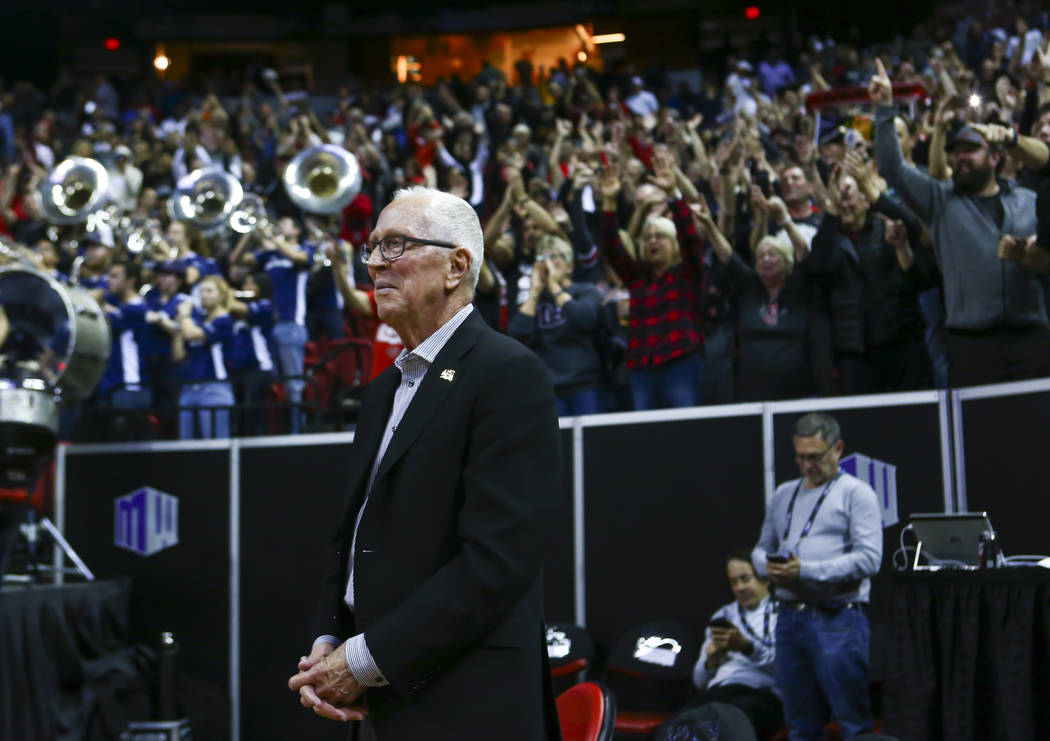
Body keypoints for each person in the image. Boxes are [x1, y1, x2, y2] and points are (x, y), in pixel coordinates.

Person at [287, 187, 563, 741]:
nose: (374, 264)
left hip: (469, 705)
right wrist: (328, 642)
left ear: (456, 266)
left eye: (396, 245)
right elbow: (353, 536)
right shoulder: (381, 391)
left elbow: (495, 562)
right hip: (382, 704)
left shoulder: (508, 372)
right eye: (372, 249)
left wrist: (362, 661)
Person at [871, 58, 1048, 386]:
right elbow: (892, 168)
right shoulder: (940, 201)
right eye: (955, 152)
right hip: (971, 343)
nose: (960, 158)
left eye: (971, 150)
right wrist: (884, 109)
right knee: (981, 434)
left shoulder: (1028, 201)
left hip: (1032, 337)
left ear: (994, 157)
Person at [752, 412, 882, 740]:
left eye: (816, 457)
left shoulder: (857, 493)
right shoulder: (784, 494)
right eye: (801, 457)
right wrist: (769, 568)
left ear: (837, 449)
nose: (808, 465)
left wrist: (804, 571)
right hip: (789, 620)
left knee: (853, 722)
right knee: (799, 724)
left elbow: (869, 559)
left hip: (837, 619)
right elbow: (759, 550)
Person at [507, 233, 611, 416]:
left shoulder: (585, 291)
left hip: (585, 384)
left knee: (591, 441)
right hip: (549, 388)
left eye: (554, 256)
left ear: (570, 265)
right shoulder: (534, 301)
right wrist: (535, 291)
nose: (547, 263)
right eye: (542, 258)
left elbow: (584, 319)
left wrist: (554, 286)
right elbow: (516, 339)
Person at [687, 550, 784, 741]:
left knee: (725, 728)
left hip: (762, 693)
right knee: (674, 727)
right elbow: (699, 681)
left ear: (765, 579)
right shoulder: (723, 616)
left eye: (745, 579)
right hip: (720, 692)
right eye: (733, 582)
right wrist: (711, 661)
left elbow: (786, 673)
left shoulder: (784, 613)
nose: (739, 587)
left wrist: (746, 647)